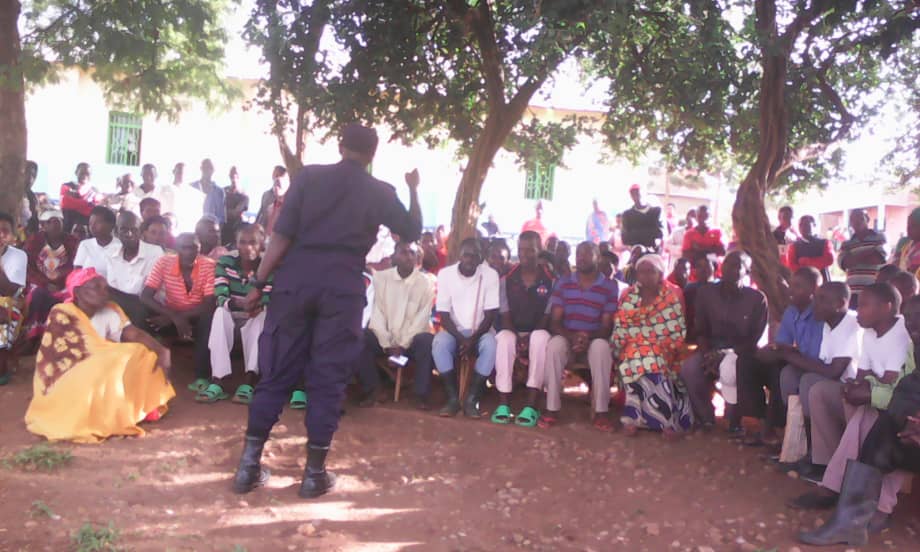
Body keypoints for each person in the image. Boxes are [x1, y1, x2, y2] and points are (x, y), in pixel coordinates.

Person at [232, 124, 421, 500]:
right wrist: (413, 188)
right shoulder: (380, 191)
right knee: (328, 379)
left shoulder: (308, 178)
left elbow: (281, 237)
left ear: (340, 146)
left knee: (275, 375)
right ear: (373, 154)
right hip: (342, 289)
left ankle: (248, 468)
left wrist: (258, 284)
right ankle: (313, 475)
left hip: (295, 283)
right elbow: (412, 230)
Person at [797, 298, 920, 546]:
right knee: (885, 427)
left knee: (878, 419)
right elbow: (908, 388)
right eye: (909, 317)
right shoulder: (915, 346)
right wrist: (910, 419)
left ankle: (865, 506)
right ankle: (850, 521)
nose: (911, 324)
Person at [23, 268, 174, 443]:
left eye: (105, 288)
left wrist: (161, 351)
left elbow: (133, 334)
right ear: (78, 292)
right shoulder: (62, 312)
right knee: (115, 358)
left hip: (101, 369)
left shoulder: (110, 311)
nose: (104, 293)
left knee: (140, 353)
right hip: (68, 375)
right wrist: (102, 357)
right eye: (97, 287)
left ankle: (142, 405)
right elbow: (57, 355)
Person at [776, 282, 860, 478]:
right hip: (838, 385)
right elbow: (822, 362)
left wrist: (788, 355)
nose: (815, 303)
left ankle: (820, 457)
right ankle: (808, 451)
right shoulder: (829, 324)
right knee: (790, 375)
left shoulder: (852, 325)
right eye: (816, 298)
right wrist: (789, 356)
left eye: (822, 299)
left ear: (840, 303)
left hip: (852, 389)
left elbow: (833, 372)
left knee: (810, 383)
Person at [680, 251, 767, 431]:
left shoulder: (757, 299)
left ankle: (732, 418)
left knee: (731, 367)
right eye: (727, 263)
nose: (730, 269)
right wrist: (707, 354)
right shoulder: (706, 293)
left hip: (741, 354)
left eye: (737, 265)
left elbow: (754, 339)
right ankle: (705, 417)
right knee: (689, 368)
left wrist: (727, 353)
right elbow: (700, 329)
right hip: (710, 349)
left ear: (747, 271)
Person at [542, 241, 619, 431]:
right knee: (554, 345)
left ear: (597, 257)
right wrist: (572, 337)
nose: (581, 257)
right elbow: (555, 322)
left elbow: (606, 326)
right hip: (567, 337)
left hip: (593, 339)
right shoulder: (564, 282)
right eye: (578, 253)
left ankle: (601, 412)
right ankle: (551, 408)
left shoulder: (609, 286)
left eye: (586, 253)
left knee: (602, 348)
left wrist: (586, 337)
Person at [613, 254, 691, 438]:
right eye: (642, 272)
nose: (645, 276)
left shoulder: (671, 296)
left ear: (660, 274)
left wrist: (651, 342)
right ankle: (635, 419)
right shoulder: (629, 295)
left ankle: (665, 421)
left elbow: (676, 329)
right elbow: (621, 326)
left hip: (665, 346)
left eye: (651, 272)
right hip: (633, 345)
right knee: (637, 357)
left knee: (648, 358)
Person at [746, 267, 824, 447]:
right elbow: (782, 344)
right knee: (748, 362)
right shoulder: (791, 311)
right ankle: (756, 422)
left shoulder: (820, 315)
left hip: (813, 366)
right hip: (793, 360)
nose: (790, 290)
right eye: (791, 285)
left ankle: (776, 428)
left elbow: (812, 355)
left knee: (781, 371)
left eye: (797, 286)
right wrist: (773, 350)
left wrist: (783, 351)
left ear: (813, 290)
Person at [359, 241, 435, 409]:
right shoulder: (381, 279)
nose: (408, 257)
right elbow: (377, 315)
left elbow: (422, 319)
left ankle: (420, 395)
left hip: (411, 341)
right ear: (393, 256)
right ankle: (374, 390)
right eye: (404, 252)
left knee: (427, 341)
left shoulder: (425, 283)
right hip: (384, 339)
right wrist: (388, 344)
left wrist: (402, 345)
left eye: (412, 253)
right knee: (360, 338)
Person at [492, 231, 554, 427]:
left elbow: (547, 315)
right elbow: (504, 312)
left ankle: (531, 405)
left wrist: (528, 338)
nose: (524, 254)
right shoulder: (507, 278)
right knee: (504, 339)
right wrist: (517, 337)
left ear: (540, 250)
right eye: (521, 250)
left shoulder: (551, 279)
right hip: (512, 329)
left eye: (530, 250)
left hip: (538, 330)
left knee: (540, 338)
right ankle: (503, 403)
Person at [140, 233, 216, 394]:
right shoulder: (164, 262)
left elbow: (209, 303)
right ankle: (147, 376)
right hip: (171, 313)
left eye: (194, 248)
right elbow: (145, 296)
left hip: (197, 314)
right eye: (184, 248)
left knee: (209, 319)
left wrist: (179, 318)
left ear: (200, 248)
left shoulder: (209, 265)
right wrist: (173, 316)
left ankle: (202, 376)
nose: (189, 252)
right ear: (175, 248)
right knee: (144, 317)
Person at [433, 238, 499, 418]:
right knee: (439, 343)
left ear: (481, 257)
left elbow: (490, 315)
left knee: (491, 345)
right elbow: (444, 314)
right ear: (459, 256)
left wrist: (473, 339)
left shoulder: (490, 275)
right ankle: (453, 399)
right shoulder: (445, 275)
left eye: (475, 255)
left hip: (481, 331)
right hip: (455, 331)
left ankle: (471, 399)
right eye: (466, 255)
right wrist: (462, 339)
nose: (470, 259)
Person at [205, 224, 271, 405]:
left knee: (262, 318)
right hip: (233, 314)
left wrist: (257, 306)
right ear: (236, 244)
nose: (248, 247)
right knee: (220, 313)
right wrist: (237, 304)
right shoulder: (226, 262)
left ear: (261, 244)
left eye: (253, 242)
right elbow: (220, 295)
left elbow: (269, 297)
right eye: (242, 242)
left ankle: (249, 381)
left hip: (254, 315)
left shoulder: (269, 266)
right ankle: (218, 380)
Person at [23, 210, 79, 345]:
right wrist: (45, 283)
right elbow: (28, 267)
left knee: (70, 299)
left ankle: (62, 338)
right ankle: (35, 336)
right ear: (43, 225)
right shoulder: (34, 241)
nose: (55, 225)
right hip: (39, 283)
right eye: (50, 222)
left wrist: (62, 284)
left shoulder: (72, 241)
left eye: (58, 221)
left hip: (65, 284)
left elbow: (76, 266)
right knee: (37, 294)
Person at [105, 211, 164, 329]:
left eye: (134, 230)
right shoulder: (111, 253)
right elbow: (112, 287)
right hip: (120, 305)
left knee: (137, 309)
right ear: (116, 232)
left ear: (140, 232)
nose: (129, 234)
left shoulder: (155, 252)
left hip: (146, 307)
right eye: (124, 230)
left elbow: (144, 294)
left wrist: (115, 295)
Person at [839, 208, 887, 309]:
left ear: (867, 219)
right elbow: (845, 263)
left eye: (860, 218)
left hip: (875, 291)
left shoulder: (880, 237)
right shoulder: (846, 243)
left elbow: (878, 259)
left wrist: (853, 256)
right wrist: (869, 252)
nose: (856, 222)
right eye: (853, 220)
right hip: (852, 292)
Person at [0, 213, 27, 386]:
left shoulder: (19, 256)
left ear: (12, 234)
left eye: (5, 230)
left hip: (10, 306)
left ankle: (2, 367)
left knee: (2, 312)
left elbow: (10, 291)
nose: (1, 235)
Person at [73, 206, 121, 278]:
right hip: (87, 284)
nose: (92, 226)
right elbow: (77, 272)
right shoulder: (85, 245)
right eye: (90, 223)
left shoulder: (120, 246)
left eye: (97, 222)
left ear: (111, 225)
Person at [788, 215, 834, 283]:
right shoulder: (794, 246)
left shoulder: (824, 243)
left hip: (823, 282)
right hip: (803, 283)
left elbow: (829, 260)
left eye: (806, 224)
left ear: (814, 225)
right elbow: (792, 266)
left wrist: (807, 261)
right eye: (800, 225)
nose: (803, 227)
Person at [60, 162, 100, 233]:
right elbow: (66, 203)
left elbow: (95, 210)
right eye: (82, 173)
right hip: (68, 229)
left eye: (87, 174)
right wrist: (88, 204)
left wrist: (76, 202)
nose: (85, 176)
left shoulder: (95, 190)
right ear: (76, 172)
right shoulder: (66, 186)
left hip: (88, 231)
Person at [621, 184, 663, 250]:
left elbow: (660, 233)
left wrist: (635, 233)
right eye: (633, 195)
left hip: (653, 250)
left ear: (645, 194)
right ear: (631, 197)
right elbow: (625, 238)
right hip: (636, 251)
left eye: (638, 194)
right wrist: (650, 233)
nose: (637, 197)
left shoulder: (656, 211)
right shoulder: (627, 215)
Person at [191, 158, 226, 224]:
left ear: (214, 170)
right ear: (201, 168)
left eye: (210, 168)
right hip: (193, 226)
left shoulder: (219, 191)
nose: (208, 170)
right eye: (205, 167)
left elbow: (221, 218)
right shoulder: (191, 187)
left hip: (211, 228)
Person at [256, 165, 288, 235]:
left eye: (279, 175)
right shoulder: (266, 195)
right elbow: (261, 212)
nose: (276, 178)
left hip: (277, 233)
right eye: (275, 175)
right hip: (262, 232)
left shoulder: (289, 198)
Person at [223, 166, 250, 246]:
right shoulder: (223, 191)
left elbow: (235, 213)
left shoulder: (244, 195)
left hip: (236, 229)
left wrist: (223, 211)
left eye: (236, 173)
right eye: (232, 173)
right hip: (222, 228)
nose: (234, 175)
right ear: (229, 175)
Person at [888, 207, 920, 273]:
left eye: (913, 226)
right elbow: (895, 262)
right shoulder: (906, 244)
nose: (908, 229)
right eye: (908, 225)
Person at [23, 161, 39, 235]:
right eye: (26, 173)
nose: (30, 178)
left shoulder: (32, 197)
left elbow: (35, 221)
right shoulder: (8, 194)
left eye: (33, 175)